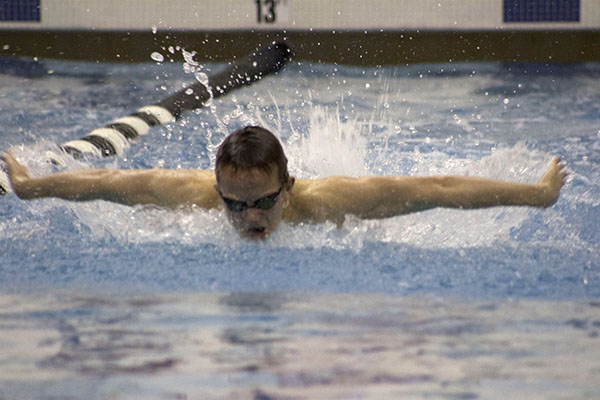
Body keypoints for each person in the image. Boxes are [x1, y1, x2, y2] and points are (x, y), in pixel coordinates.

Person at [1, 125, 567, 240]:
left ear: (288, 187)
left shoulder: (325, 205)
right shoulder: (193, 194)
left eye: (266, 202)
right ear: (217, 191)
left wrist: (538, 196)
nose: (252, 219)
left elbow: (436, 189)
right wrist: (30, 186)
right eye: (236, 205)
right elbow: (107, 181)